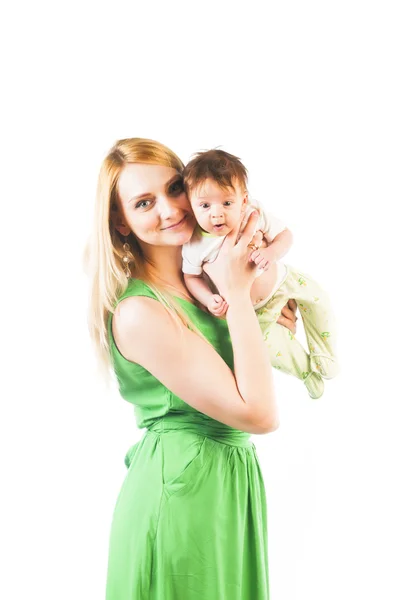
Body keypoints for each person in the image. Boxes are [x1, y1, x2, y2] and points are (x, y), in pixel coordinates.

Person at [86, 137, 298, 600]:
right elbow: (261, 415)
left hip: (226, 485)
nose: (170, 209)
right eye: (144, 202)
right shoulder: (140, 312)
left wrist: (260, 320)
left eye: (175, 188)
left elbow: (240, 380)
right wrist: (239, 299)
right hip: (182, 492)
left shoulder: (207, 280)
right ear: (121, 222)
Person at [182, 149, 339, 400]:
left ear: (244, 200)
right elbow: (191, 278)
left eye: (227, 203)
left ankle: (324, 353)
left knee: (318, 298)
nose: (216, 213)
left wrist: (272, 253)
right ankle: (307, 372)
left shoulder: (251, 214)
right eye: (204, 205)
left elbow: (285, 235)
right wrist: (207, 298)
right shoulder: (194, 244)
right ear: (190, 206)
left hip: (284, 280)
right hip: (255, 311)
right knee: (271, 348)